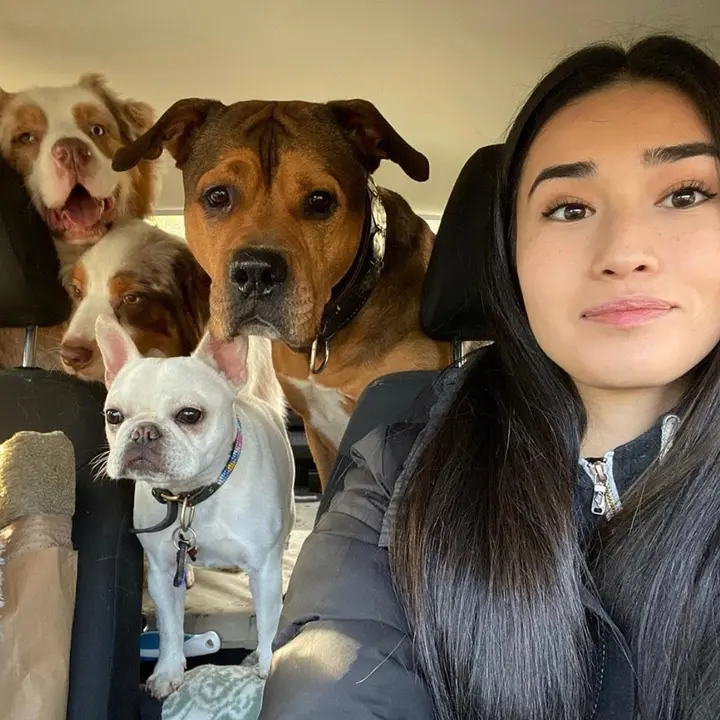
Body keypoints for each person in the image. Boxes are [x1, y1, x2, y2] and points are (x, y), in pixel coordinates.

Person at [258, 34, 720, 720]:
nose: (625, 251)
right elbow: (329, 678)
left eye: (685, 194)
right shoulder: (400, 464)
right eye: (569, 208)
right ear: (509, 252)